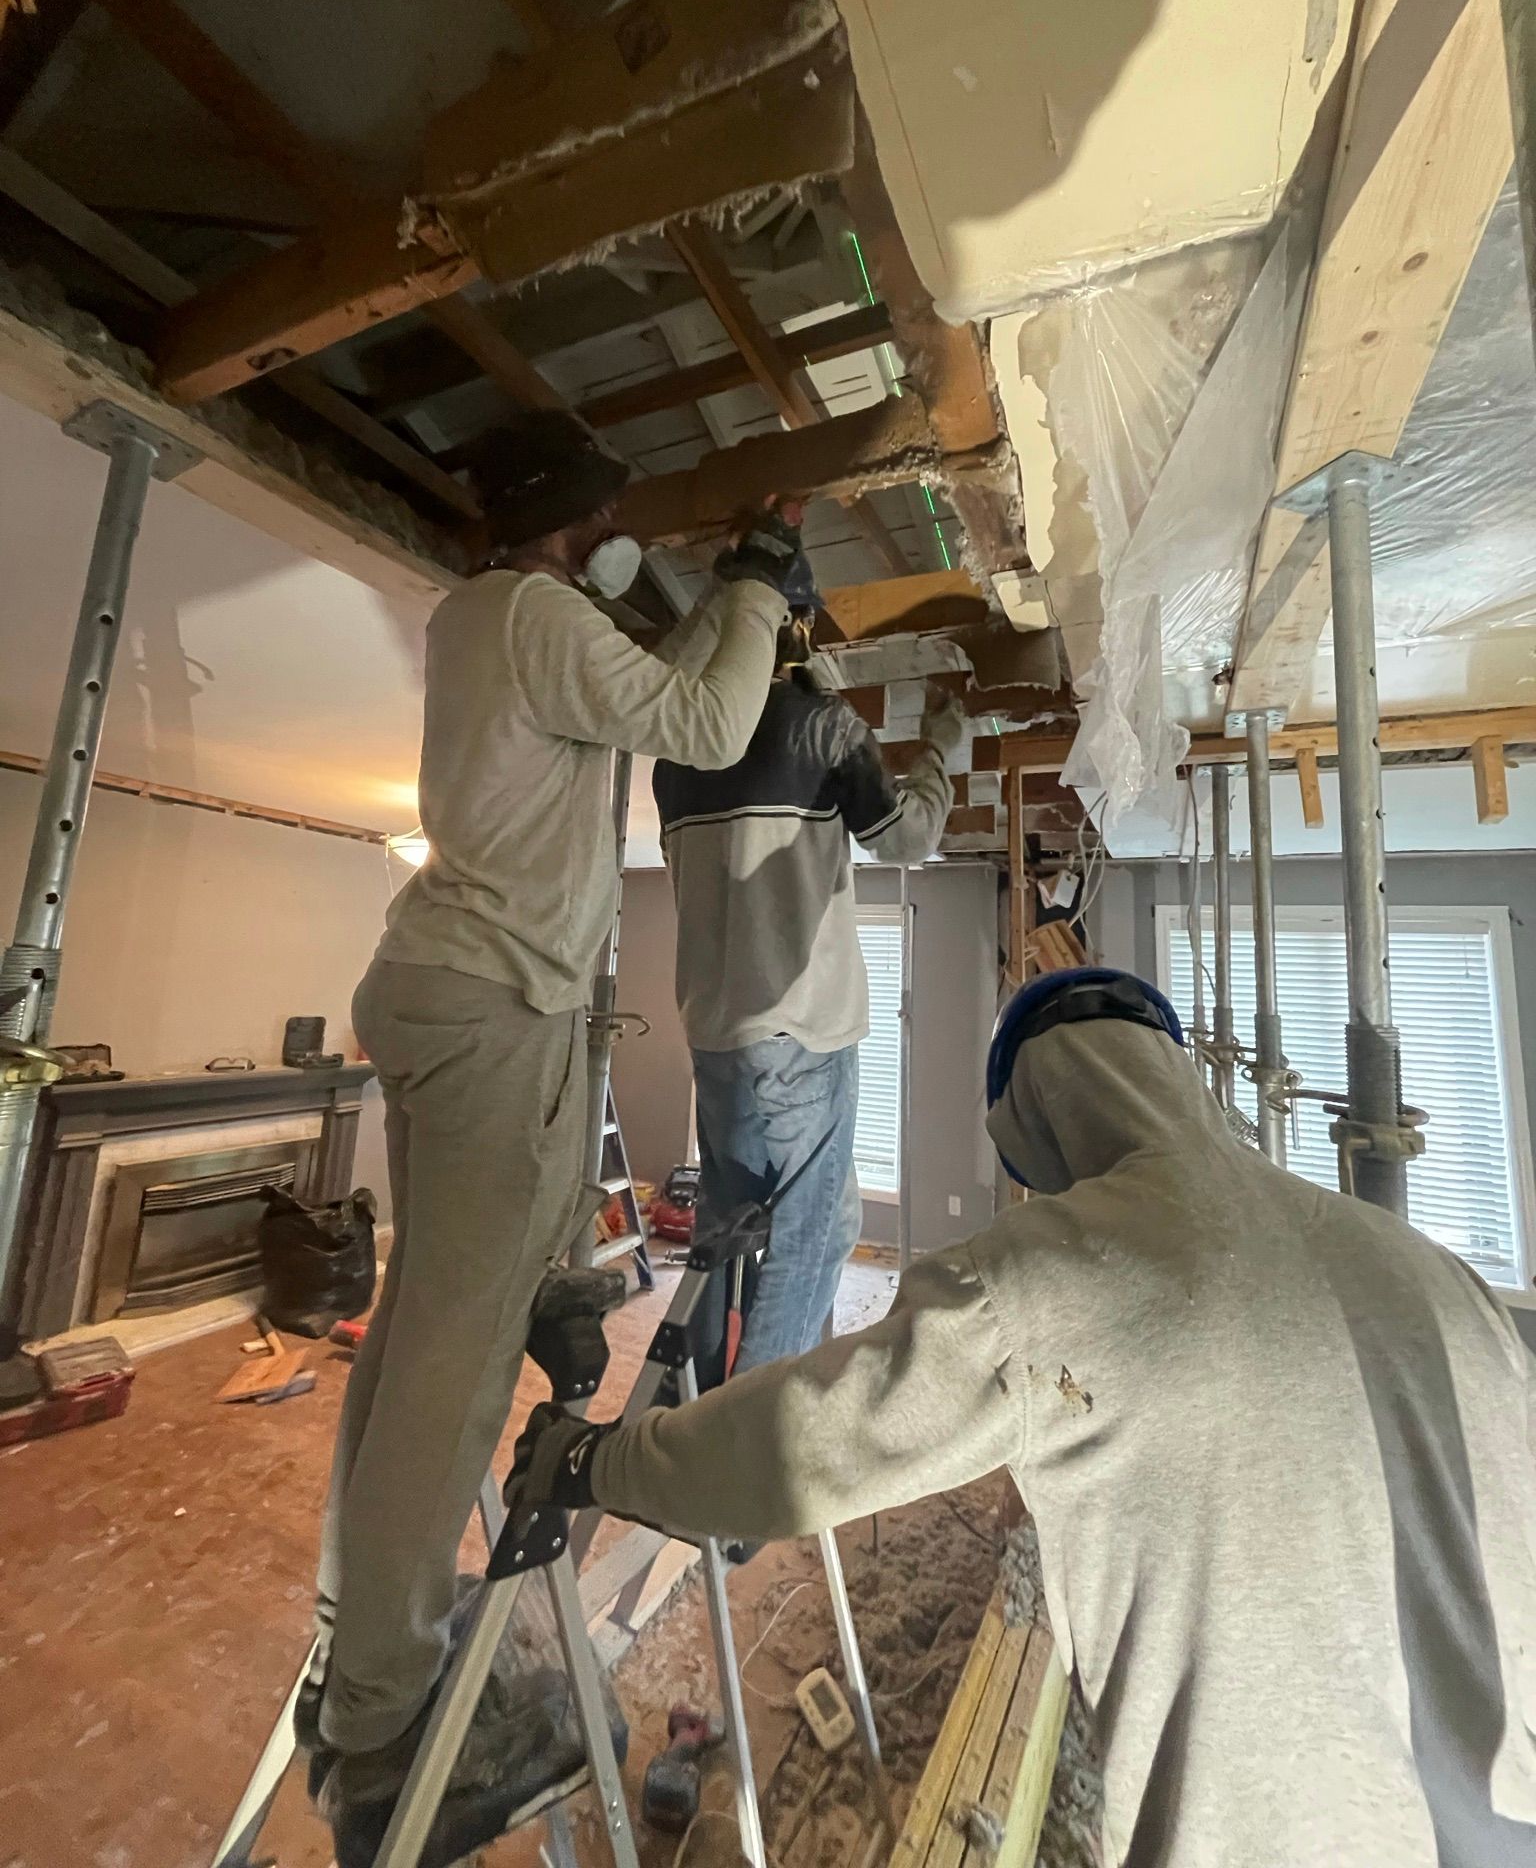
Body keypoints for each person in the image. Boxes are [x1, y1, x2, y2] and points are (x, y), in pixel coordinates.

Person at [510, 966, 1536, 1868]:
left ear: (1033, 1126)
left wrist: (601, 1458)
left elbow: (801, 1442)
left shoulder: (1057, 1278)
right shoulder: (1443, 1274)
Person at [310, 410, 803, 1786]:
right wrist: (761, 578)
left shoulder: (483, 620)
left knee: (416, 1339)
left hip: (425, 986)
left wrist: (729, 602)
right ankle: (383, 1705)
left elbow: (660, 687)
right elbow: (708, 714)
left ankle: (358, 1635)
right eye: (604, 524)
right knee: (453, 1378)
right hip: (499, 1010)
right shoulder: (539, 617)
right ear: (578, 529)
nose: (612, 543)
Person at [651, 563, 962, 1375]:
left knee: (732, 1226)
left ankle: (700, 1399)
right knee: (815, 1234)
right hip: (798, 1032)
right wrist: (940, 753)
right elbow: (903, 839)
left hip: (717, 1035)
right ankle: (749, 1446)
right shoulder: (821, 726)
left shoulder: (671, 755)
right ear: (799, 632)